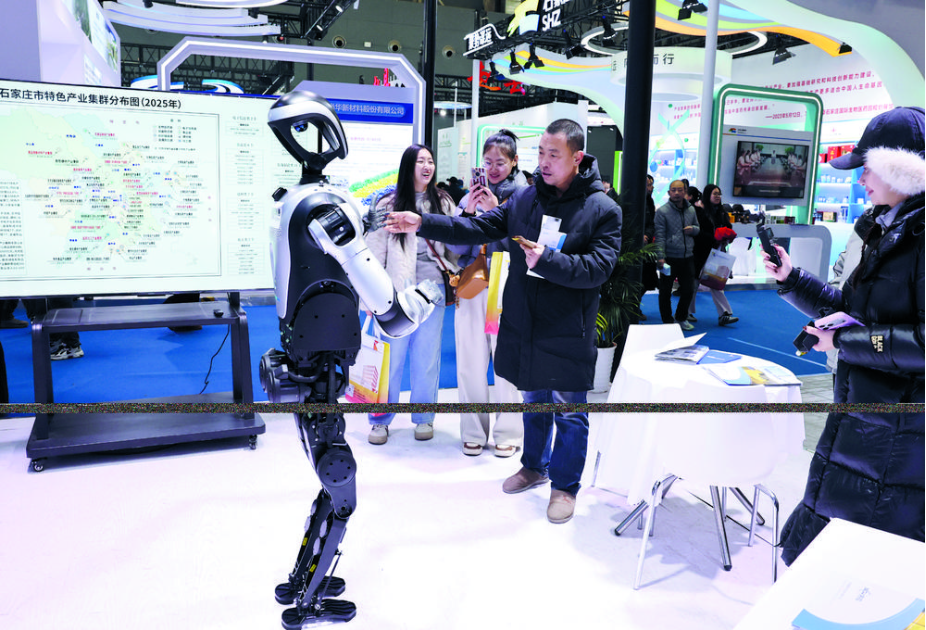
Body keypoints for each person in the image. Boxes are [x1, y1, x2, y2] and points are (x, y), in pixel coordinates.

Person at [384, 118, 622, 524]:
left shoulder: (602, 208)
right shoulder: (526, 199)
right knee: (533, 399)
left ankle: (565, 486)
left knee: (569, 411)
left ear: (577, 157)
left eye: (554, 155)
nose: (544, 162)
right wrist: (423, 223)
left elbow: (599, 268)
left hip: (568, 327)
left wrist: (547, 260)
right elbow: (476, 226)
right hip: (525, 320)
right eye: (541, 153)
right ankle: (534, 466)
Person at [762, 106, 925, 566]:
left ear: (901, 171)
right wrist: (793, 279)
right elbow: (853, 311)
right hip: (866, 416)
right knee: (837, 549)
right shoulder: (886, 227)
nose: (861, 180)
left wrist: (844, 343)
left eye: (868, 169)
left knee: (865, 560)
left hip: (899, 432)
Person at [364, 144, 460, 445]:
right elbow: (373, 252)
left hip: (432, 290)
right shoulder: (387, 203)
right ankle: (380, 420)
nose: (427, 166)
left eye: (430, 161)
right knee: (389, 359)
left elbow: (454, 245)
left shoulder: (443, 201)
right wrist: (369, 297)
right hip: (395, 292)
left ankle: (424, 417)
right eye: (421, 161)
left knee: (426, 357)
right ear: (408, 166)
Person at [449, 129, 527, 458]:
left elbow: (525, 246)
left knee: (506, 358)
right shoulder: (470, 196)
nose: (493, 169)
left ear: (514, 161)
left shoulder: (525, 196)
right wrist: (467, 213)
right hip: (474, 280)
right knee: (470, 357)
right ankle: (472, 431)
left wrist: (497, 212)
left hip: (506, 280)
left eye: (500, 162)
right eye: (487, 162)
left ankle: (508, 431)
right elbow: (454, 247)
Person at [690, 184, 739, 326]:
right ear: (708, 195)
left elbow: (729, 228)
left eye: (719, 193)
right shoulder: (699, 211)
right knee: (693, 284)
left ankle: (724, 314)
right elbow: (698, 232)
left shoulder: (721, 212)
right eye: (714, 193)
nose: (717, 196)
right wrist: (714, 237)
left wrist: (727, 235)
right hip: (700, 252)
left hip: (717, 253)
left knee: (716, 283)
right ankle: (686, 312)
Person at [654, 179, 699, 330]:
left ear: (685, 192)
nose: (677, 193)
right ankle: (667, 321)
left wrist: (693, 229)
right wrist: (660, 256)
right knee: (665, 291)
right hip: (669, 257)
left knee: (688, 290)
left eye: (680, 190)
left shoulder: (691, 210)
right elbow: (659, 236)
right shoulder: (662, 212)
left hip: (687, 256)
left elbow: (698, 228)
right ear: (669, 192)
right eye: (673, 190)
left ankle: (681, 317)